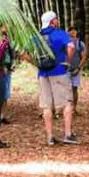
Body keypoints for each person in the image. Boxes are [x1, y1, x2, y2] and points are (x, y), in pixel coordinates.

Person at [28, 11, 78, 146]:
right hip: (59, 71)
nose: (57, 21)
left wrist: (36, 63)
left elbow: (23, 52)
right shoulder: (60, 33)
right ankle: (67, 134)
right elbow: (71, 47)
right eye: (56, 19)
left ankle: (50, 137)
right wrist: (68, 61)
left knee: (46, 106)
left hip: (43, 74)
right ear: (52, 22)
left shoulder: (36, 36)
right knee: (67, 103)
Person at [68, 27, 87, 113]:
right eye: (70, 31)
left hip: (76, 69)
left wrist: (78, 68)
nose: (72, 33)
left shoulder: (80, 44)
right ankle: (68, 108)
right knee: (66, 89)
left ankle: (74, 108)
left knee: (74, 89)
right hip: (66, 70)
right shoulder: (65, 43)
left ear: (76, 32)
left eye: (74, 31)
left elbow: (84, 57)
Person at [0, 37, 16, 125]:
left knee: (5, 94)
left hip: (7, 69)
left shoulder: (8, 39)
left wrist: (13, 64)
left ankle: (3, 116)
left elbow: (12, 53)